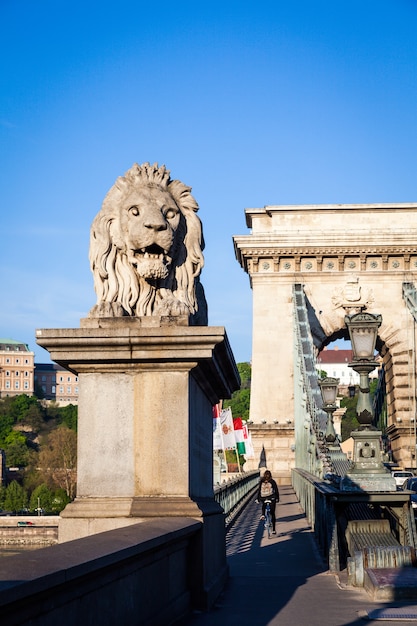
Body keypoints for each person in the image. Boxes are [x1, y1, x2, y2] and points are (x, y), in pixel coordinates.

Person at [255, 469, 279, 534]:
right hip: (271, 497)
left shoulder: (261, 481)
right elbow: (276, 490)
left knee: (264, 505)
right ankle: (273, 529)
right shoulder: (272, 481)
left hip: (263, 497)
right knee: (272, 513)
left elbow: (259, 490)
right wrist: (277, 498)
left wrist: (258, 499)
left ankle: (263, 514)